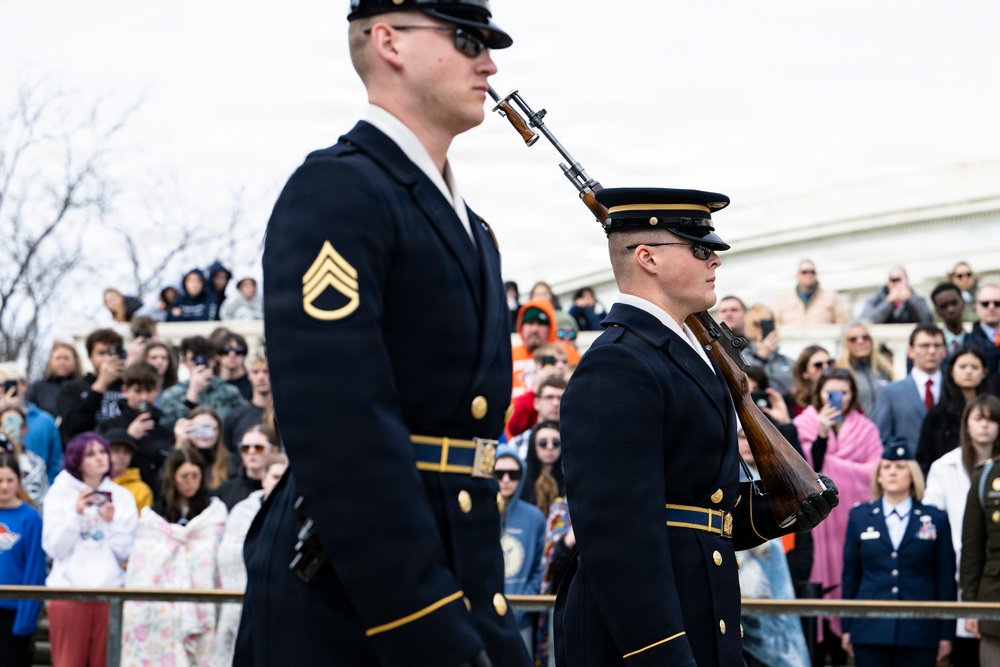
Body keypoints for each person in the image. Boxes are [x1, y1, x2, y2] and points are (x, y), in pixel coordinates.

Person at [237, 2, 529, 665]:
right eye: (465, 40)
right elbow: (342, 426)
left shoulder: (473, 229)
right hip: (362, 596)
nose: (489, 62)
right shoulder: (338, 190)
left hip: (458, 567)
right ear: (389, 41)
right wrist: (424, 619)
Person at [555, 187, 838, 667]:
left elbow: (702, 506)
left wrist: (779, 510)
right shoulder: (619, 364)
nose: (716, 261)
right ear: (647, 258)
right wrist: (663, 654)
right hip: (646, 643)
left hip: (701, 620)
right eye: (701, 248)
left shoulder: (683, 357)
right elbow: (617, 535)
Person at [793, 366, 883, 660]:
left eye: (844, 392)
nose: (838, 398)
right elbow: (802, 469)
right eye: (831, 391)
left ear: (853, 395)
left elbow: (875, 472)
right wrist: (821, 437)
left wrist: (833, 467)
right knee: (816, 586)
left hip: (852, 521)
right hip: (817, 525)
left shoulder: (866, 427)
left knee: (849, 577)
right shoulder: (803, 424)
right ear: (819, 393)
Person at [841, 441, 956, 666]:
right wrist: (847, 626)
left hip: (919, 630)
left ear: (912, 475)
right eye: (886, 467)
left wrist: (946, 633)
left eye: (901, 467)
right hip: (870, 629)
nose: (892, 471)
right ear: (879, 476)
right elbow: (850, 577)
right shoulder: (860, 517)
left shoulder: (935, 519)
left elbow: (944, 579)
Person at [121, 447, 227, 666]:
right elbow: (144, 563)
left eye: (195, 476)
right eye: (184, 477)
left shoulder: (214, 514)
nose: (190, 482)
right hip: (162, 612)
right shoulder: (153, 518)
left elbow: (215, 558)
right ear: (173, 478)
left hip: (202, 604)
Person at [42, 432, 138, 667]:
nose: (100, 458)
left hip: (110, 593)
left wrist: (111, 524)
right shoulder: (59, 493)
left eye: (102, 452)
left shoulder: (123, 497)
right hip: (68, 593)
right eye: (91, 454)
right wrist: (75, 515)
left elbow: (127, 553)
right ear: (77, 461)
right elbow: (53, 548)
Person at [924, 394, 1000, 665]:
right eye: (979, 419)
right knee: (963, 650)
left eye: (992, 420)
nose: (985, 426)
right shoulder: (943, 466)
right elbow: (931, 523)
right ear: (966, 424)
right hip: (953, 566)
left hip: (990, 569)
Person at [735, 428, 811, 667]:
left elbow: (802, 541)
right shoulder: (722, 479)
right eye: (741, 436)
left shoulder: (775, 481)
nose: (747, 442)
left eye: (752, 434)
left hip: (772, 592)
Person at [210, 453, 288, 667]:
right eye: (275, 477)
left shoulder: (293, 511)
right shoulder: (243, 510)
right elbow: (230, 556)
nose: (279, 484)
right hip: (240, 603)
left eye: (285, 479)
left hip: (280, 607)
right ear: (264, 477)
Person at [494, 446, 545, 654]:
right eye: (499, 474)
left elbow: (540, 569)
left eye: (513, 474)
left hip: (521, 618)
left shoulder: (535, 517)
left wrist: (523, 607)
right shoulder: (477, 512)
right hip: (483, 617)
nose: (506, 479)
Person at [0, 453, 45, 667]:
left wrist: (26, 619)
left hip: (14, 610)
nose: (4, 486)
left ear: (18, 481)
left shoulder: (30, 517)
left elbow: (35, 570)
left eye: (10, 480)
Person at [872, 323, 947, 448]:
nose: (932, 351)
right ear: (910, 351)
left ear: (944, 351)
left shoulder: (955, 389)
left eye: (937, 345)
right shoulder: (890, 393)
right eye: (925, 346)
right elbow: (881, 439)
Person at [916, 346, 989, 475]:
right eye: (962, 367)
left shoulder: (994, 412)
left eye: (974, 367)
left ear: (984, 372)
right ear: (951, 371)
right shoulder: (937, 414)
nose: (968, 372)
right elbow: (924, 457)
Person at [158, 336, 245, 430]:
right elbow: (168, 429)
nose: (199, 364)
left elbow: (241, 425)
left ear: (213, 361)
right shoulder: (172, 395)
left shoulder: (230, 393)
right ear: (185, 363)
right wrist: (191, 397)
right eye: (193, 360)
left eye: (204, 359)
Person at [57, 327, 126, 444]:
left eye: (112, 352)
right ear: (90, 357)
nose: (107, 358)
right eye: (101, 353)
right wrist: (101, 383)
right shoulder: (72, 388)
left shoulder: (128, 386)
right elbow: (71, 427)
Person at [0, 364, 62, 485]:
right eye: (0, 385)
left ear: (24, 385)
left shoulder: (45, 421)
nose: (5, 390)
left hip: (37, 492)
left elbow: (55, 463)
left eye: (10, 384)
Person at [512, 298, 580, 400]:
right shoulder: (510, 355)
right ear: (521, 327)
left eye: (540, 324)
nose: (535, 329)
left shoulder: (568, 353)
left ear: (550, 328)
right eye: (530, 323)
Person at [504, 346, 567, 442]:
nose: (560, 366)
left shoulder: (574, 387)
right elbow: (515, 427)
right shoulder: (529, 396)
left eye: (564, 361)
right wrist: (535, 389)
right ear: (538, 365)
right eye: (553, 361)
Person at [837, 322, 895, 417]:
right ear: (846, 344)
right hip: (857, 430)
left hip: (884, 429)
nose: (860, 342)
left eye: (865, 337)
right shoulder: (841, 372)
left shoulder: (884, 369)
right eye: (853, 339)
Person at [212, 424, 276, 509]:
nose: (251, 452)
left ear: (275, 451)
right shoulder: (225, 491)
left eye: (259, 447)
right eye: (245, 448)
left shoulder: (283, 489)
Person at [222, 352, 271, 458]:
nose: (261, 377)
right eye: (255, 372)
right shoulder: (234, 416)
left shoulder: (284, 415)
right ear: (249, 375)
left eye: (266, 371)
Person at [773, 259, 850, 325]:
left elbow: (843, 324)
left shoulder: (832, 297)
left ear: (816, 274)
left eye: (812, 272)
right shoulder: (783, 300)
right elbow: (775, 324)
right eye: (804, 272)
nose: (808, 275)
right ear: (797, 275)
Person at [0, 407, 48, 508]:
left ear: (25, 428)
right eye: (4, 424)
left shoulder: (36, 463)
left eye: (16, 423)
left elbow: (40, 500)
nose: (10, 428)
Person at [742, 303, 794, 395]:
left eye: (770, 323)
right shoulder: (741, 356)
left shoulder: (788, 361)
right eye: (758, 324)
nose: (764, 329)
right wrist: (761, 358)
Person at [173, 405, 229, 490]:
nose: (204, 433)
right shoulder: (177, 452)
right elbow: (165, 487)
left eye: (209, 427)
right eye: (198, 427)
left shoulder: (230, 462)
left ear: (219, 431)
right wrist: (180, 444)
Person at [932, 282, 990, 362]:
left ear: (963, 303)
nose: (951, 310)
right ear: (937, 311)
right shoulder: (930, 347)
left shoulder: (983, 345)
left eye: (954, 303)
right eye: (944, 306)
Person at [25, 340, 82, 418]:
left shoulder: (82, 386)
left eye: (66, 358)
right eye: (58, 358)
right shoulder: (38, 387)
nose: (62, 362)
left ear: (75, 361)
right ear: (51, 361)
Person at [103, 427, 154, 513]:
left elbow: (145, 524)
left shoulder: (141, 490)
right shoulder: (91, 483)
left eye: (126, 452)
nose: (121, 456)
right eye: (115, 450)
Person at [520, 421, 564, 518]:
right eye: (543, 443)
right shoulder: (519, 478)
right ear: (533, 445)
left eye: (556, 443)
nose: (550, 447)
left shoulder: (569, 479)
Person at [861, 266, 933, 325]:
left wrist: (910, 300)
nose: (897, 283)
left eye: (901, 280)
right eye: (894, 280)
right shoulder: (875, 299)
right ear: (888, 282)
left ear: (907, 281)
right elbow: (867, 321)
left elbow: (927, 320)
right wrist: (888, 302)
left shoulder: (917, 299)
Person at [787, 345, 834, 418]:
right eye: (818, 365)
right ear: (804, 372)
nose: (826, 368)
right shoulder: (791, 400)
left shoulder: (844, 392)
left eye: (829, 363)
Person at [969, 283, 1000, 378]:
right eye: (985, 304)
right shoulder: (967, 341)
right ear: (976, 307)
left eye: (997, 303)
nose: (991, 307)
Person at [216, 332, 252, 400]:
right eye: (225, 350)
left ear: (244, 355)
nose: (232, 354)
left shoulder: (254, 382)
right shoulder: (212, 385)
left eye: (238, 350)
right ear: (218, 355)